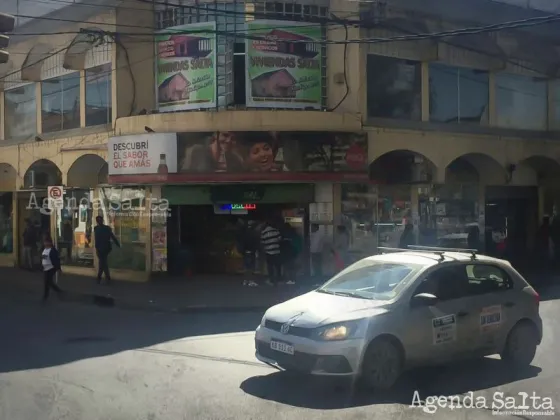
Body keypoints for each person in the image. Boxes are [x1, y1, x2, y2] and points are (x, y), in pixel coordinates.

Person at [94, 215, 120, 284]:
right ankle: (107, 277)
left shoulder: (97, 228)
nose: (99, 221)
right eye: (98, 220)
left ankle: (100, 277)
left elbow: (111, 237)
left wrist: (117, 244)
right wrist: (117, 244)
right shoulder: (105, 228)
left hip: (102, 248)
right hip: (103, 248)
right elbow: (112, 237)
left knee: (102, 263)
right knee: (103, 263)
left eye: (99, 220)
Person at [260, 219, 282, 285]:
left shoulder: (263, 232)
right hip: (276, 251)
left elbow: (262, 242)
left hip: (269, 252)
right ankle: (279, 279)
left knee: (270, 266)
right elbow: (280, 239)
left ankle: (271, 280)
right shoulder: (276, 231)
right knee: (278, 266)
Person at [41, 236, 63, 302]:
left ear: (50, 243)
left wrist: (58, 268)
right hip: (46, 268)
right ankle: (57, 290)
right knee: (48, 282)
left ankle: (46, 295)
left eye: (46, 242)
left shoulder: (52, 250)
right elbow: (43, 258)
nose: (45, 243)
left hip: (51, 267)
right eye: (45, 242)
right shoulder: (44, 249)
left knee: (47, 281)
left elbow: (56, 260)